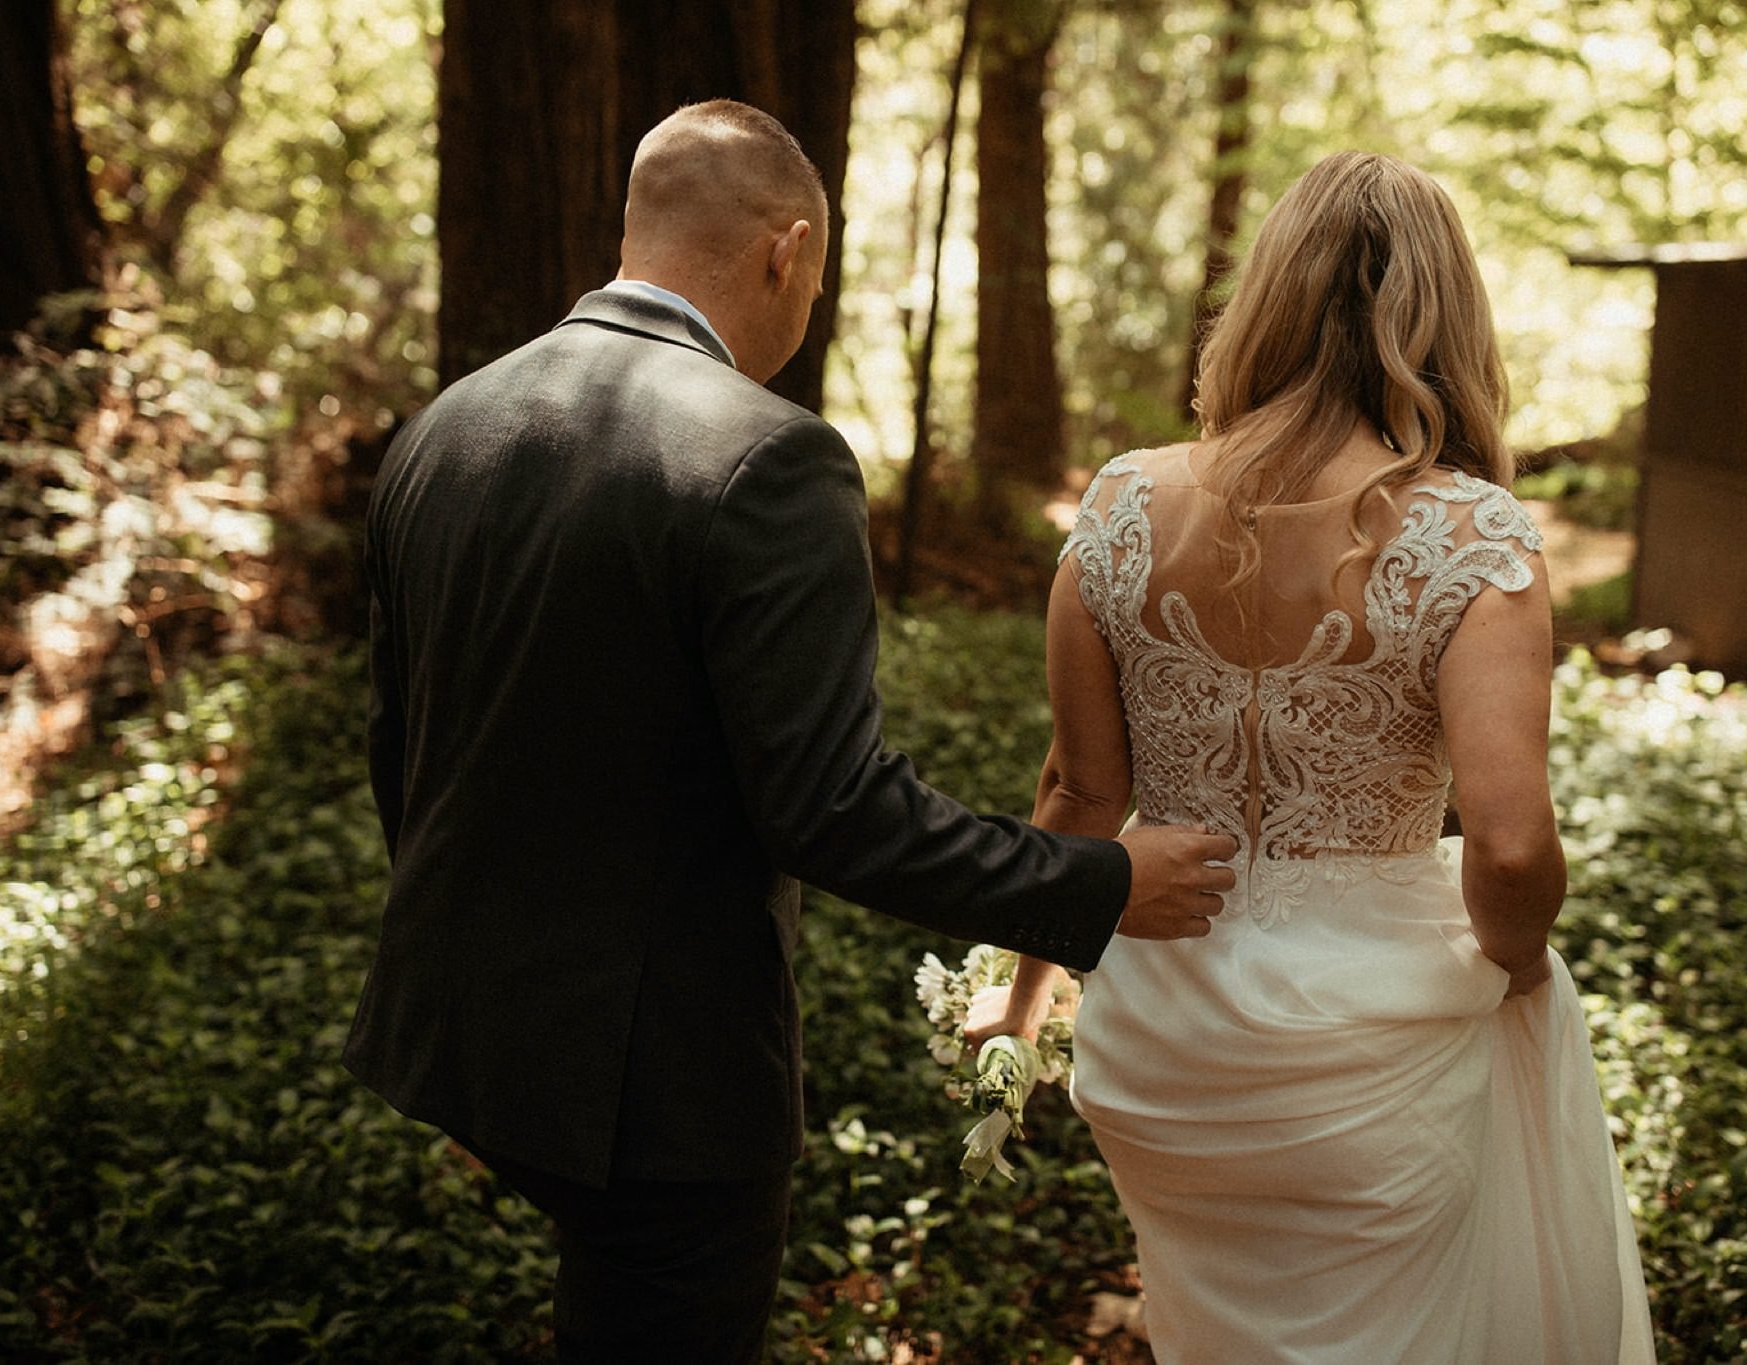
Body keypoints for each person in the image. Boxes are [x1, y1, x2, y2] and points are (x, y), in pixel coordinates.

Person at [343, 100, 1235, 1363]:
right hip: (657, 1085)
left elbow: (400, 748)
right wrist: (1095, 883)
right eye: (813, 276)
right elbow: (829, 810)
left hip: (463, 1031)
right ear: (786, 249)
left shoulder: (445, 428)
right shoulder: (769, 460)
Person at [966, 151, 1657, 1363]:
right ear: (1446, 318)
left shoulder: (1122, 506)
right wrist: (1513, 977)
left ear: (1265, 300)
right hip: (1370, 1051)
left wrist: (1019, 1006)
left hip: (1165, 1054)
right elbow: (1504, 843)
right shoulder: (1469, 535)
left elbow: (1079, 794)